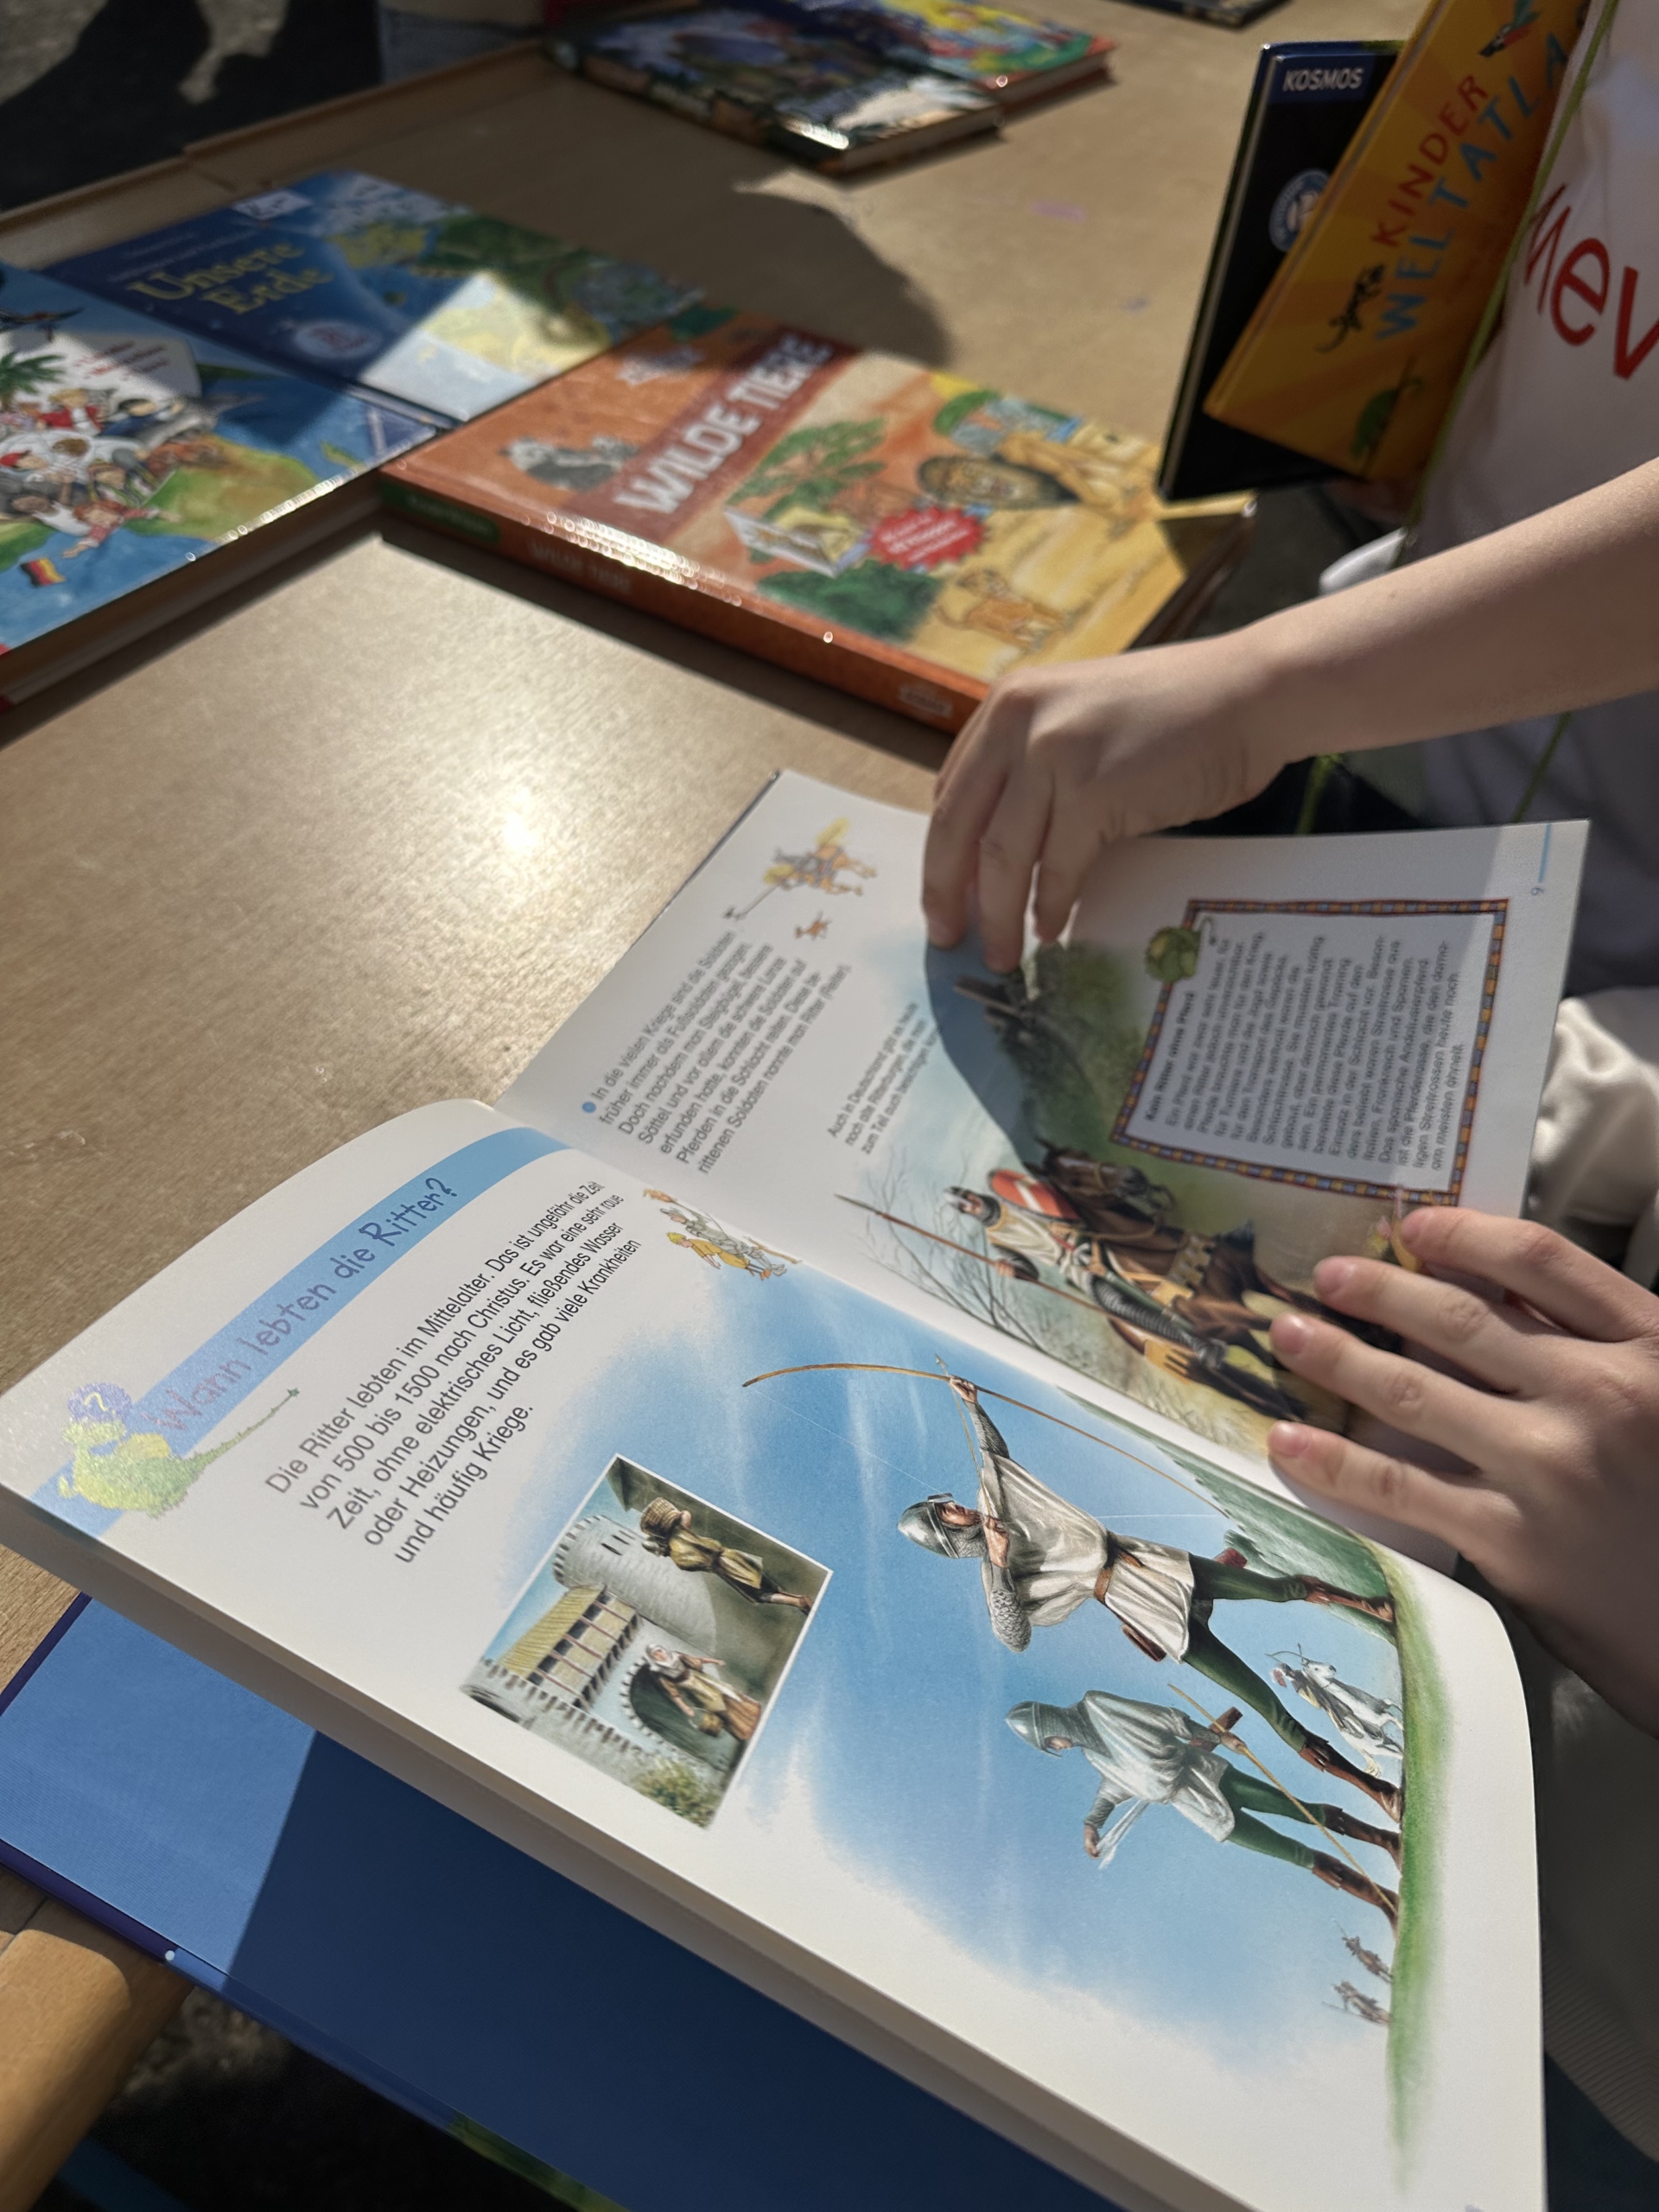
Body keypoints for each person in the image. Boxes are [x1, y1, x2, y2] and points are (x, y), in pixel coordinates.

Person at [899, 1377, 1401, 1819]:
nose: (957, 1507)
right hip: (1141, 1607)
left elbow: (996, 1460)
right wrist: (1001, 1561)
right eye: (948, 1513)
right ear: (949, 1537)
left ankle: (1368, 1606)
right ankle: (1376, 1790)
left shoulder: (993, 1508)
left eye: (950, 1504)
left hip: (1154, 1563)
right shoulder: (996, 1572)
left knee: (1276, 1589)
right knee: (1268, 1707)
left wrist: (974, 1406)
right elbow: (1013, 1636)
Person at [1005, 1692, 1400, 1924]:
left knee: (1300, 1811)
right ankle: (1387, 1903)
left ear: (1053, 1723)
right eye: (1051, 1747)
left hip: (1210, 1775)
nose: (1058, 1747)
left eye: (1051, 1741)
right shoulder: (1094, 1755)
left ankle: (1387, 1841)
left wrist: (1215, 1737)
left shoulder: (1097, 1705)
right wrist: (1093, 1823)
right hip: (1198, 1808)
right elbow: (1114, 1787)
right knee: (1294, 1855)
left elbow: (1164, 1719)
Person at [638, 1497, 813, 1612]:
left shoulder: (678, 1558)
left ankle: (798, 1602)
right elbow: (685, 1514)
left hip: (725, 1569)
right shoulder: (681, 1530)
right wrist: (672, 1517)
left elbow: (701, 1562)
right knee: (767, 1583)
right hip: (732, 1555)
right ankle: (799, 1601)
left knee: (760, 1595)